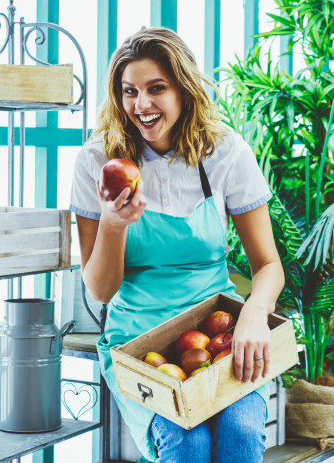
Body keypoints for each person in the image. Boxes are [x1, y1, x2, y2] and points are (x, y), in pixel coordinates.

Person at [70, 27, 284, 462]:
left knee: (241, 436)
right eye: (129, 91)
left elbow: (268, 265)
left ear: (184, 91)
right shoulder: (97, 161)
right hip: (139, 342)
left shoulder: (225, 153)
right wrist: (113, 224)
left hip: (218, 334)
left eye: (156, 89)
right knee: (187, 444)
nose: (141, 105)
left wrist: (254, 316)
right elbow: (100, 291)